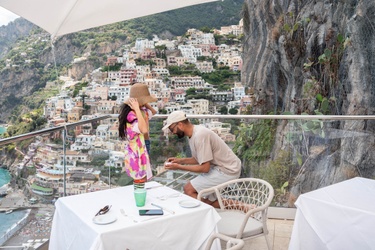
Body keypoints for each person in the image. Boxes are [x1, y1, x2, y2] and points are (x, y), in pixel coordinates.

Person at [162, 111, 241, 208]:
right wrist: (179, 161)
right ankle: (246, 207)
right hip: (222, 167)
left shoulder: (200, 135)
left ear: (180, 124)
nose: (172, 132)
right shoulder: (193, 134)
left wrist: (178, 167)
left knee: (188, 190)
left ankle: (206, 213)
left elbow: (205, 168)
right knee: (206, 201)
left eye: (172, 129)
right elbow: (198, 159)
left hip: (228, 169)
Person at [118, 83, 157, 181]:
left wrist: (144, 103)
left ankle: (141, 194)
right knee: (140, 177)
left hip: (144, 145)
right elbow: (143, 129)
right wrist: (137, 108)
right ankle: (139, 195)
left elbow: (153, 112)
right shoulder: (131, 115)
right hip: (137, 150)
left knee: (144, 176)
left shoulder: (142, 110)